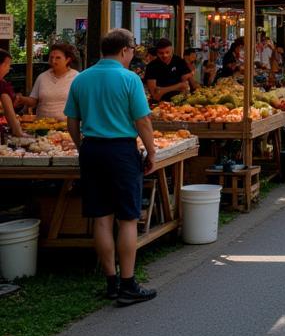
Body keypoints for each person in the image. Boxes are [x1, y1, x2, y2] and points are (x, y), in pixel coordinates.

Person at [64, 28, 158, 306]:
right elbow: (143, 121)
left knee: (101, 218)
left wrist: (82, 145)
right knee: (127, 217)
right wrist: (151, 151)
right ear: (125, 50)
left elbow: (71, 121)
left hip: (92, 149)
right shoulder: (130, 79)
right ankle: (128, 283)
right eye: (132, 52)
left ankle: (111, 282)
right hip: (121, 150)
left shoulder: (82, 79)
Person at [21, 42, 79, 120]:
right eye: (51, 57)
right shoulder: (42, 77)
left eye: (58, 58)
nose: (53, 61)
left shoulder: (76, 77)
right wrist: (22, 99)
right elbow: (34, 101)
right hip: (43, 126)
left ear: (68, 60)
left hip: (66, 127)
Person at [144, 38, 196, 102]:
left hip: (179, 103)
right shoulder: (151, 66)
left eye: (167, 52)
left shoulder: (179, 61)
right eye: (161, 53)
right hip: (159, 104)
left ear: (172, 50)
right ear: (157, 53)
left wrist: (162, 90)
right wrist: (178, 86)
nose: (165, 55)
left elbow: (186, 85)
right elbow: (155, 95)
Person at [0, 49, 25, 138]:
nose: (9, 69)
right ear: (2, 65)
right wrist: (18, 132)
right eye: (8, 65)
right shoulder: (2, 86)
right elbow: (8, 111)